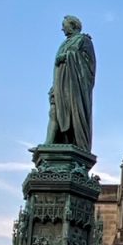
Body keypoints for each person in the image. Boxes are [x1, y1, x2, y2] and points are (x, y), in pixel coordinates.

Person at [45, 15, 96, 151]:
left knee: (71, 114)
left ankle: (72, 141)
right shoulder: (66, 43)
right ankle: (49, 142)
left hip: (74, 88)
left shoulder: (83, 40)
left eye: (64, 25)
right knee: (54, 111)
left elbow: (89, 66)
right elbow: (58, 68)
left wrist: (68, 56)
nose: (62, 29)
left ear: (73, 25)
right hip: (60, 84)